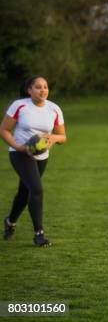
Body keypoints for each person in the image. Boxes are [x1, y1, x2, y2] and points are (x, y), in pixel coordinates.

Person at [1, 76, 67, 247]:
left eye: (45, 87)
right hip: (20, 153)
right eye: (38, 87)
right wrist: (19, 146)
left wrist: (51, 138)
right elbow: (4, 130)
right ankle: (39, 234)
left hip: (41, 156)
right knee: (37, 189)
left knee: (25, 193)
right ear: (29, 90)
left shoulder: (54, 109)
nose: (43, 90)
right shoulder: (20, 106)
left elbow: (63, 137)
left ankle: (10, 221)